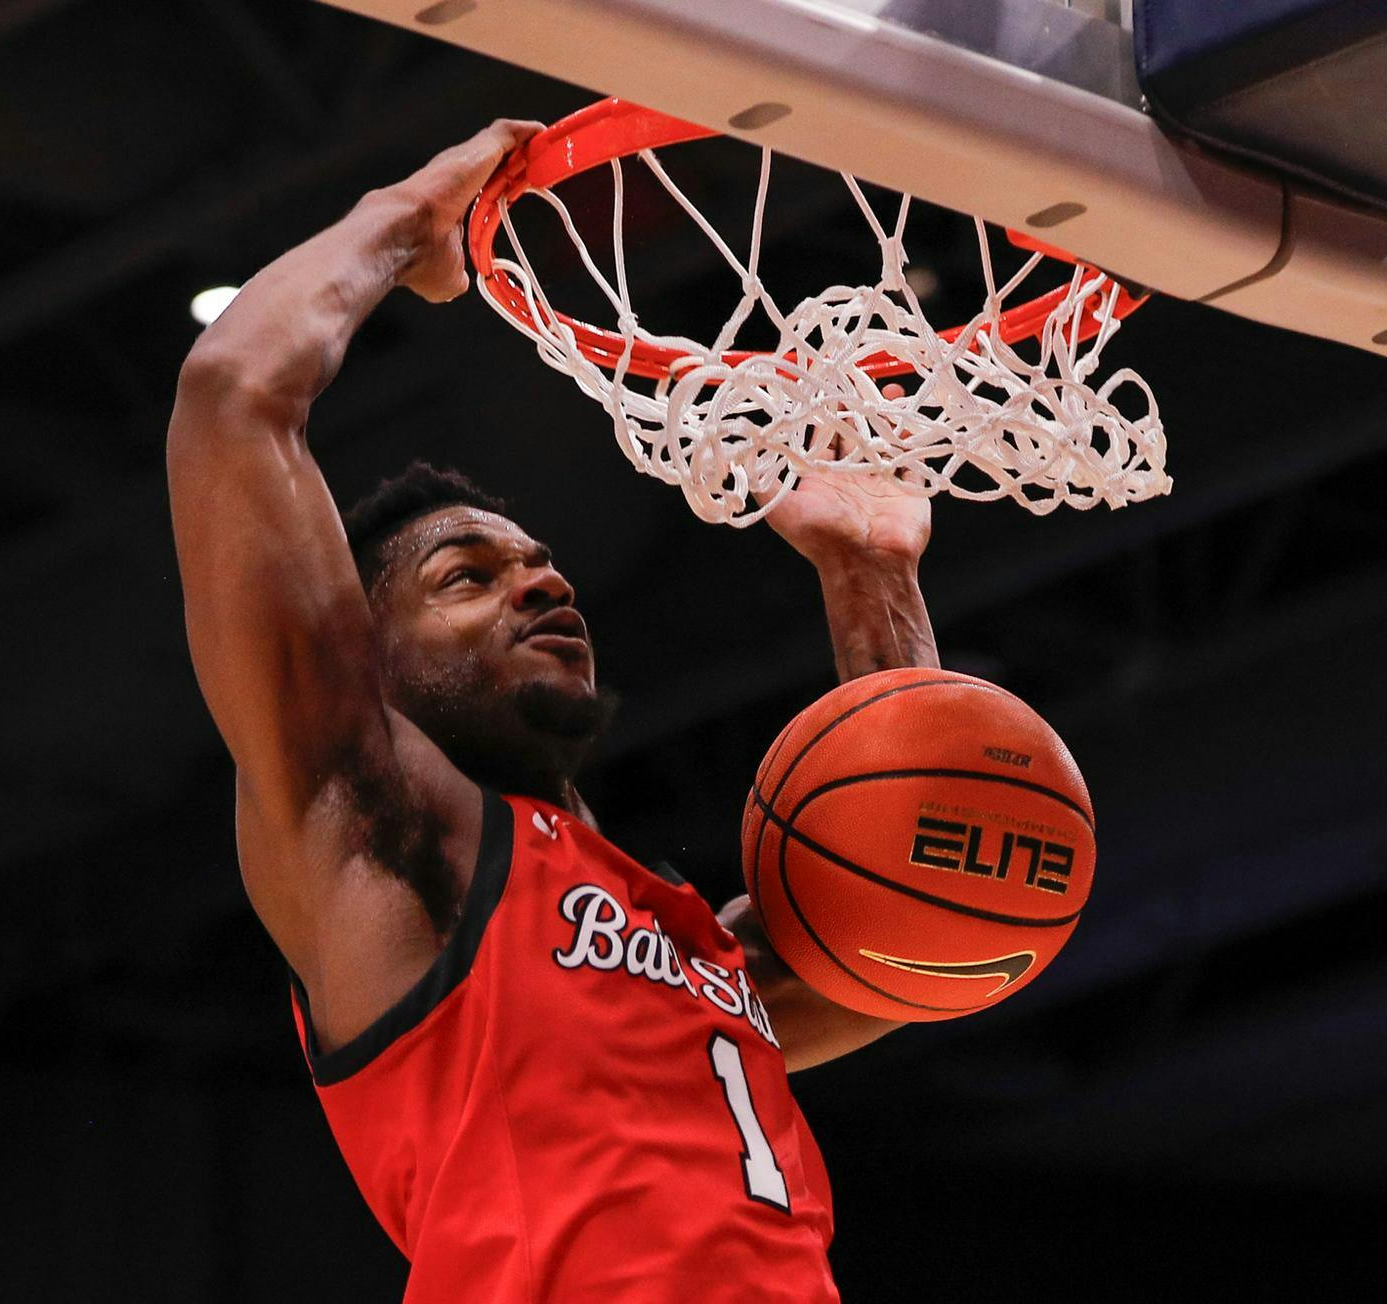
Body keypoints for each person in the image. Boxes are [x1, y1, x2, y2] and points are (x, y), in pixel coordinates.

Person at [166, 120, 940, 1302]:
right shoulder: (378, 832)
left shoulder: (698, 949)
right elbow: (233, 392)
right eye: (464, 577)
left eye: (540, 567)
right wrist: (410, 217)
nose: (540, 579)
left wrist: (866, 571)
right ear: (366, 664)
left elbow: (918, 918)